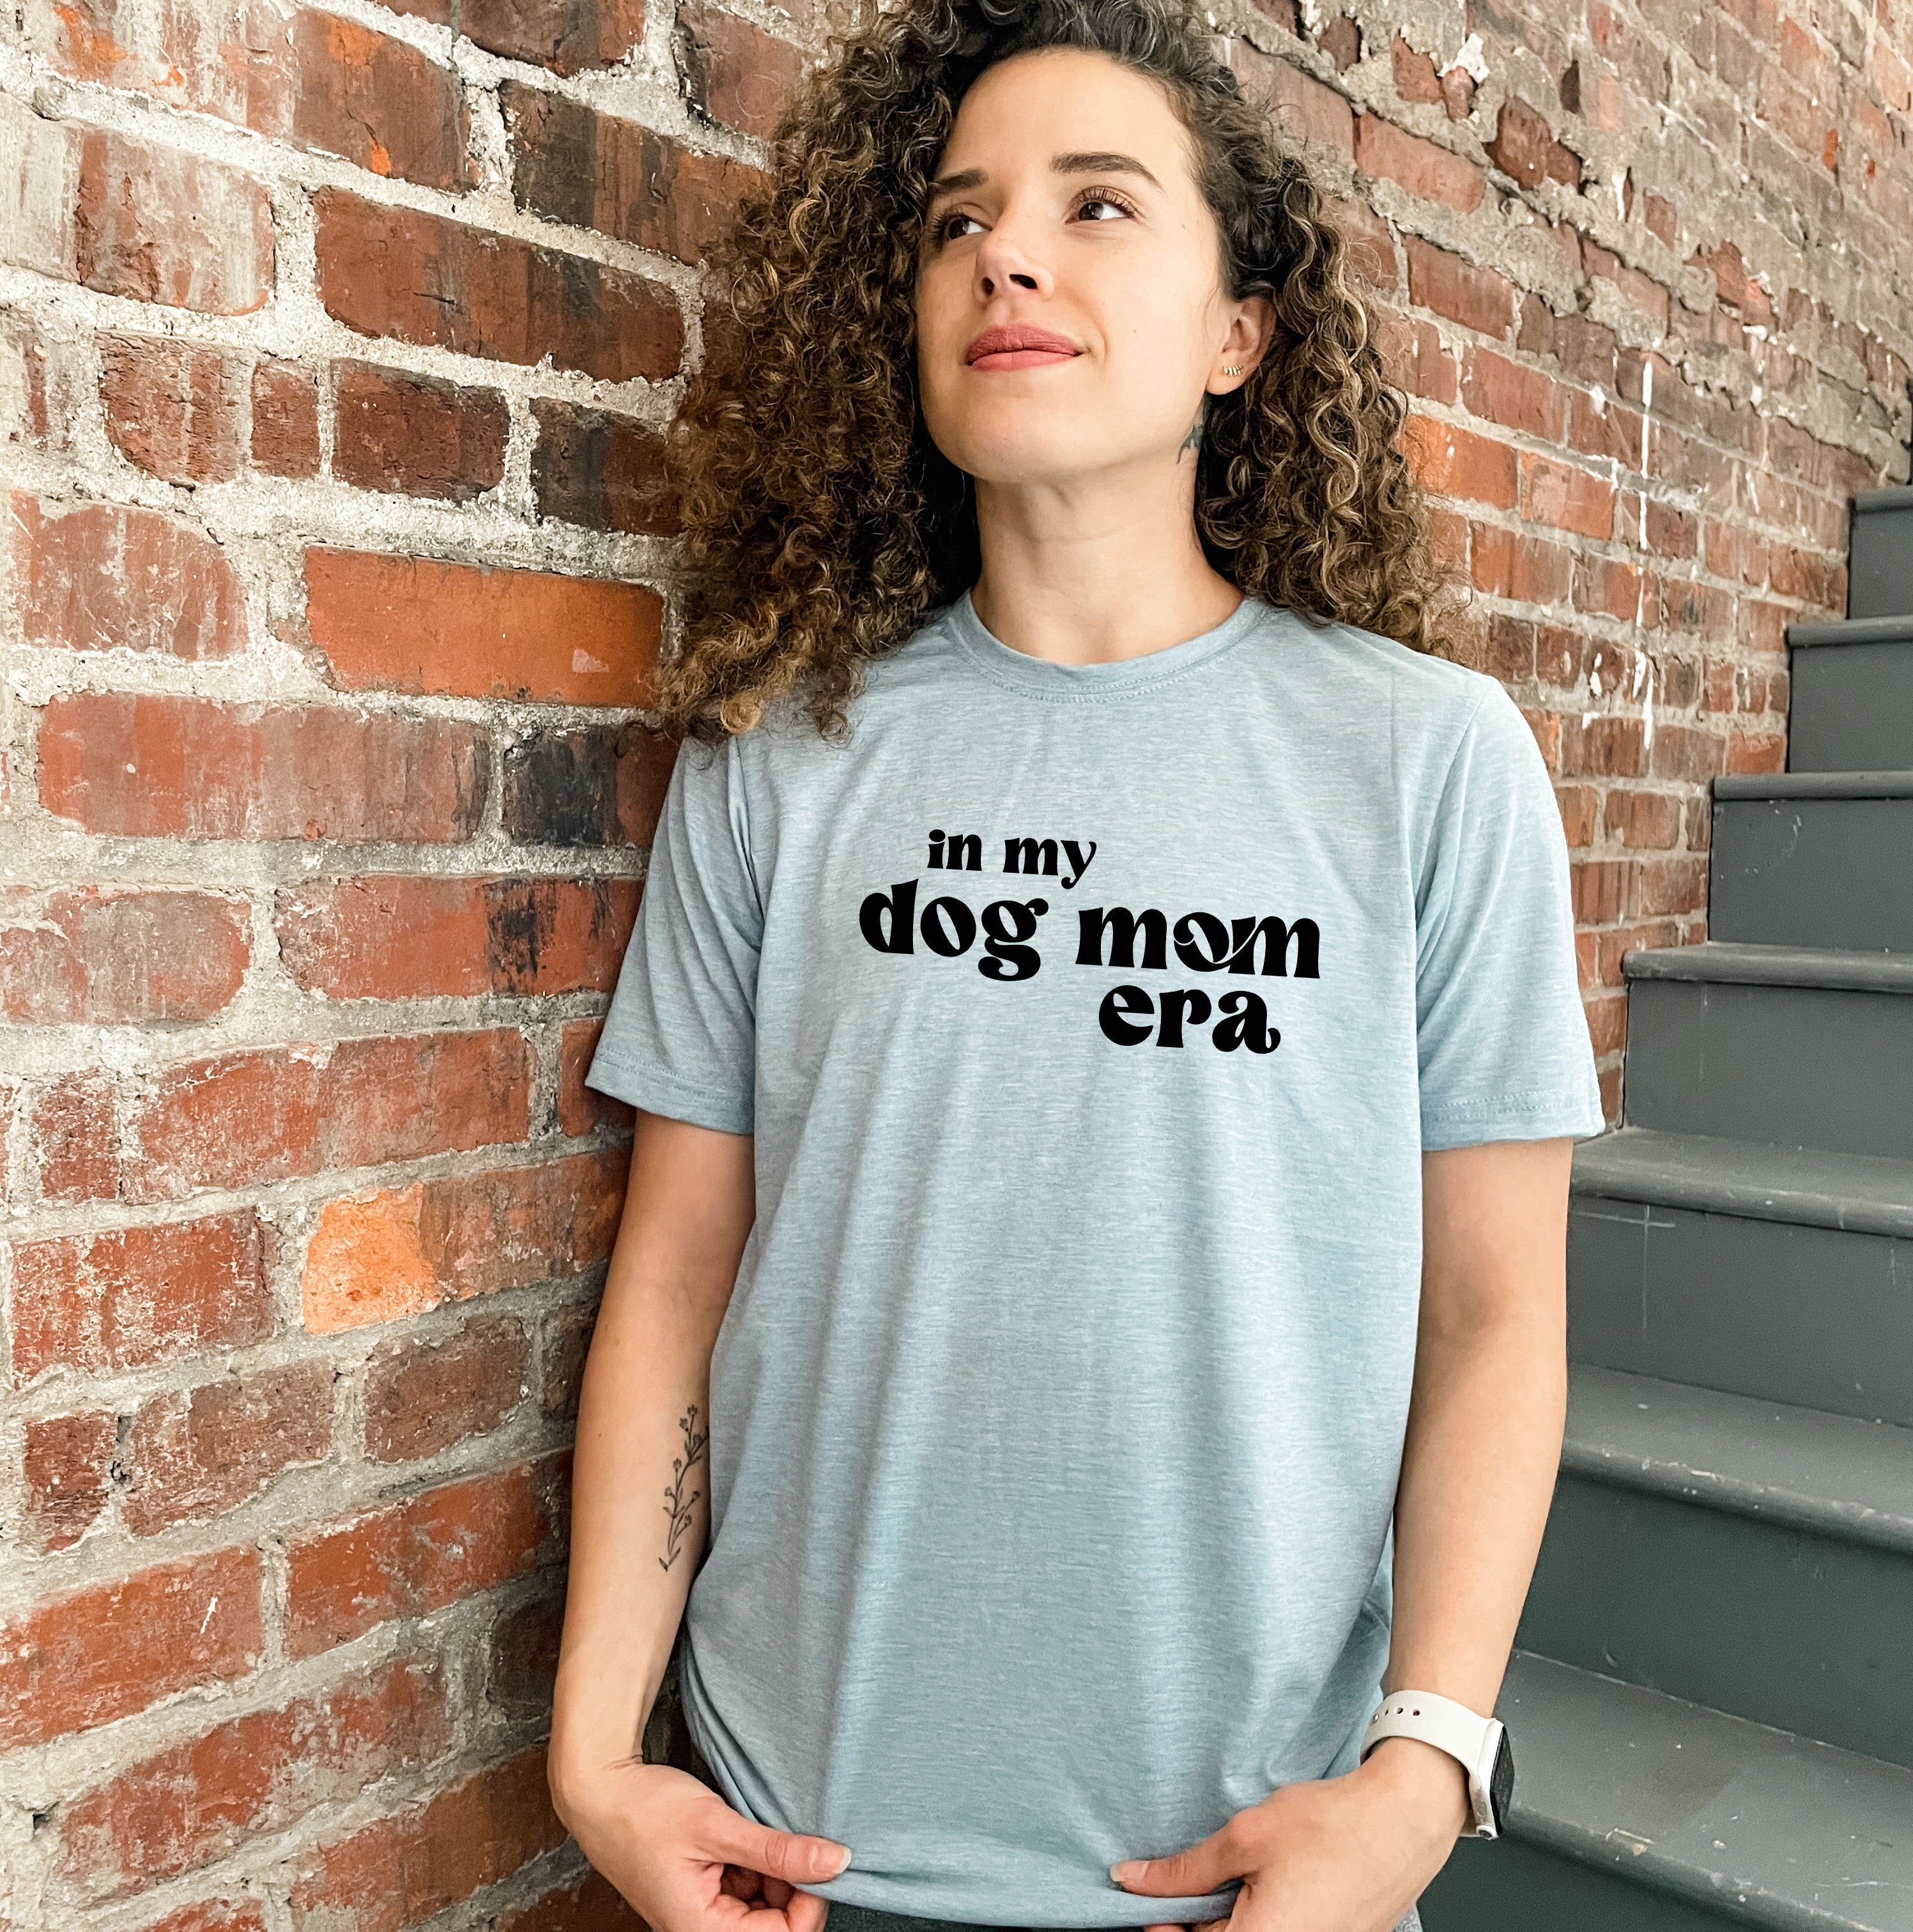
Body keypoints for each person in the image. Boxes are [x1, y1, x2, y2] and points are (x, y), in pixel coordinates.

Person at [546, 0, 1606, 1929]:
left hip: (1248, 1875)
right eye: (957, 220)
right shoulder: (780, 756)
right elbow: (681, 1272)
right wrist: (598, 1756)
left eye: (1097, 205)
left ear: (1237, 335)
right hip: (796, 1863)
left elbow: (1492, 1316)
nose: (1007, 256)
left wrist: (1424, 1774)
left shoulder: (1428, 760)